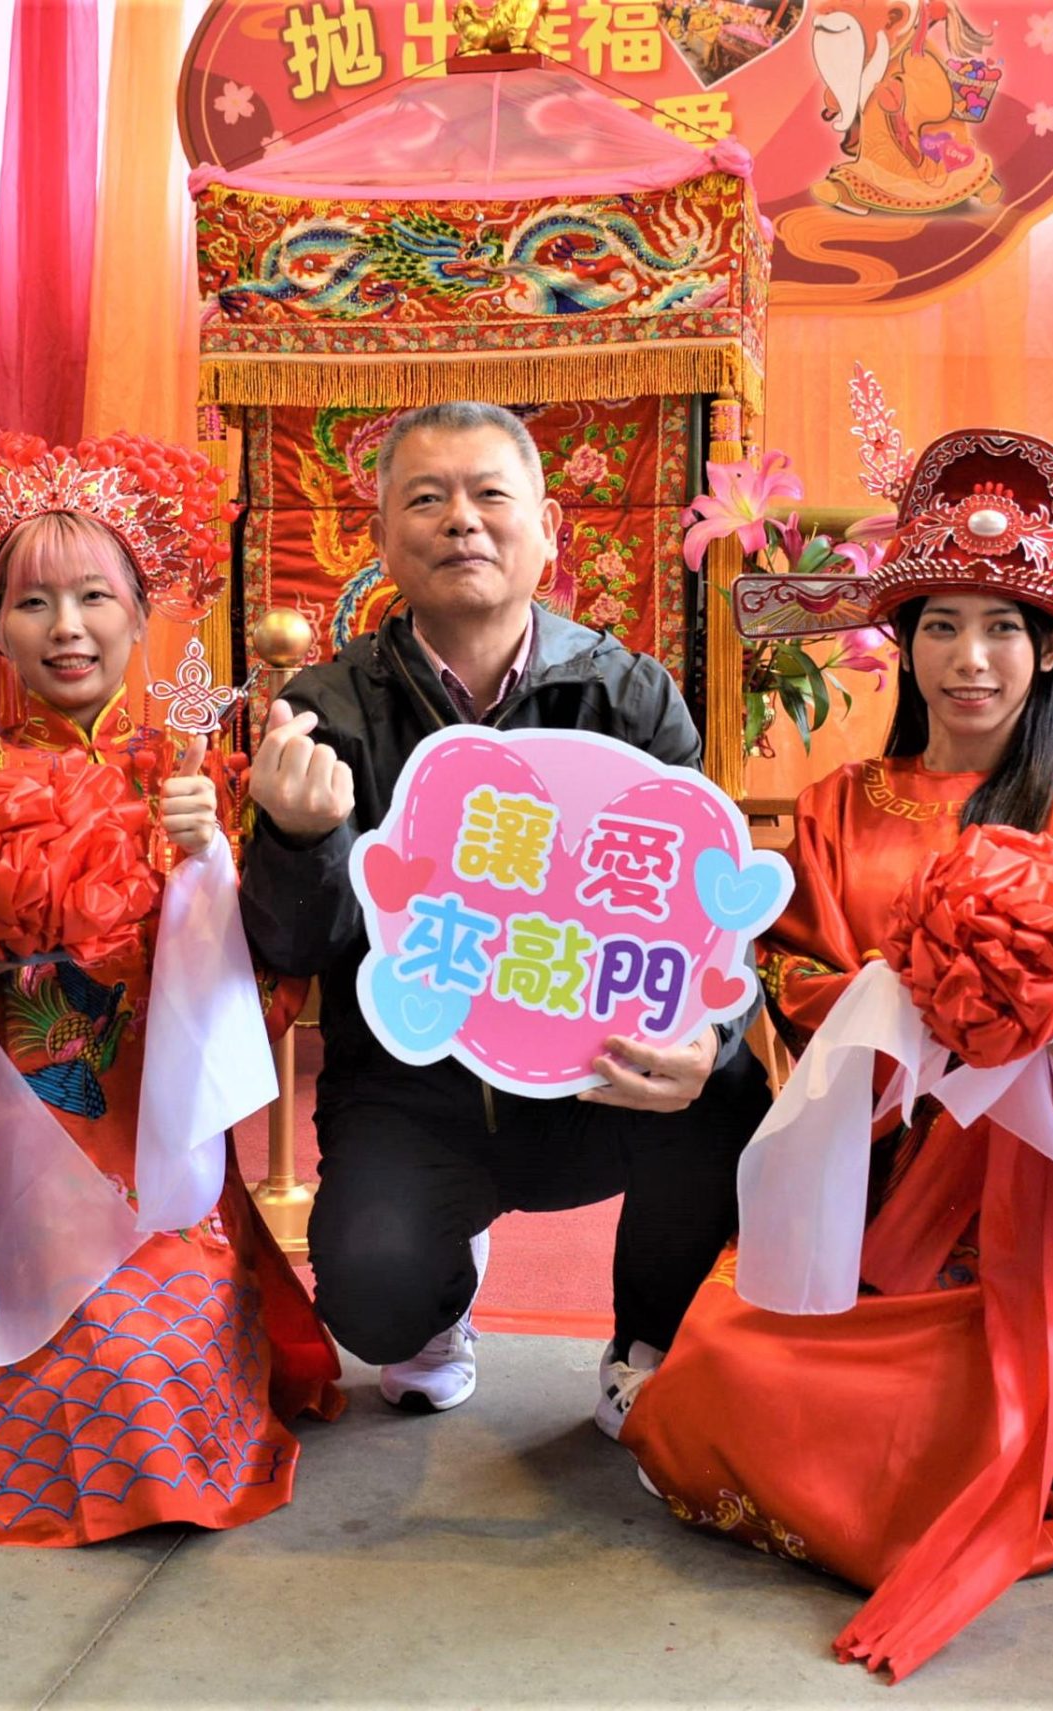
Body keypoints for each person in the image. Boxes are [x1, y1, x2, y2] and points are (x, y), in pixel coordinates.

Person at [622, 429, 1053, 1683]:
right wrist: (914, 1003)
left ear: (1048, 651)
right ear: (904, 644)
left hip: (1022, 1219)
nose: (969, 659)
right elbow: (791, 974)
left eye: (1001, 629)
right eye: (939, 627)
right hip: (869, 1177)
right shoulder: (839, 802)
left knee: (918, 1414)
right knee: (714, 1369)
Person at [239, 400, 772, 1429]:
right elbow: (296, 946)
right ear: (381, 534)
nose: (461, 521)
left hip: (596, 1076)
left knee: (724, 1090)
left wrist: (714, 1033)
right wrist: (300, 841)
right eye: (426, 499)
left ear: (547, 527)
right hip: (414, 1091)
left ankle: (644, 1344)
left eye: (489, 494)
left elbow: (709, 918)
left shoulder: (630, 697)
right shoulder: (326, 709)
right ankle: (440, 1296)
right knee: (374, 1298)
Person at [0, 430, 342, 1547]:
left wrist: (212, 868)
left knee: (137, 1365)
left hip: (160, 1168)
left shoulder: (203, 783)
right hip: (2, 1171)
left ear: (140, 614)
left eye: (94, 597)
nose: (66, 627)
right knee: (21, 1377)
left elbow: (268, 1003)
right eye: (33, 603)